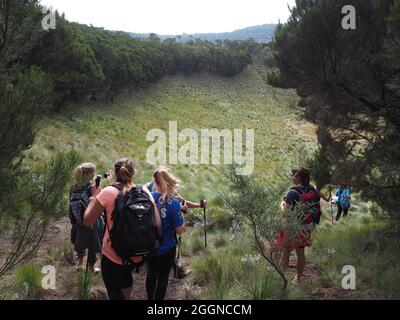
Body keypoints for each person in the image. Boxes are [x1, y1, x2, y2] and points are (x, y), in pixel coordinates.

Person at [84, 158, 161, 300]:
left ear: (115, 173)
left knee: (114, 289)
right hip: (138, 254)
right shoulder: (143, 190)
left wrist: (94, 197)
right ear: (133, 173)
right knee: (126, 280)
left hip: (113, 256)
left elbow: (87, 221)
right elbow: (157, 222)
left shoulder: (107, 192)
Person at [277, 166, 331, 283]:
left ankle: (282, 278)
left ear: (299, 177)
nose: (292, 177)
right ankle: (298, 278)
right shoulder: (313, 191)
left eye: (294, 175)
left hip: (292, 226)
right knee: (300, 252)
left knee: (286, 251)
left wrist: (281, 205)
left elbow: (286, 212)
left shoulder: (293, 192)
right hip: (307, 226)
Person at [146, 166, 185, 300]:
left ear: (155, 182)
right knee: (163, 278)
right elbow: (179, 230)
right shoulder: (174, 203)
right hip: (166, 247)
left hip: (149, 245)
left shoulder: (148, 198)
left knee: (150, 273)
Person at [69, 163, 103, 273]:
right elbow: (97, 201)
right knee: (93, 244)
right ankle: (91, 267)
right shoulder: (91, 187)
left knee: (80, 242)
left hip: (78, 221)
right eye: (94, 172)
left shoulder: (74, 186)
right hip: (91, 219)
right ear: (90, 175)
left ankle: (79, 264)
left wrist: (73, 220)